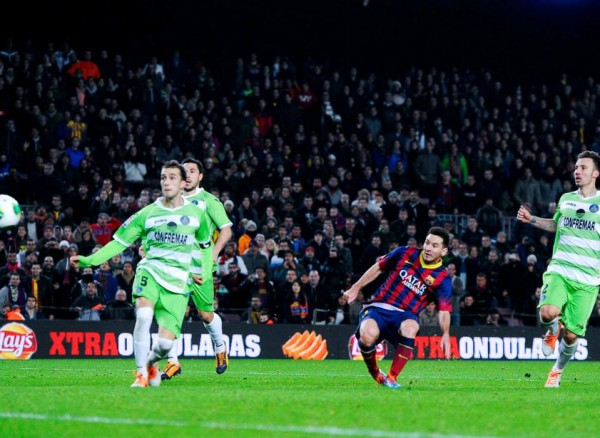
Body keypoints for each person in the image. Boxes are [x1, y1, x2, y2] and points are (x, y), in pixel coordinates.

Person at [70, 160, 212, 388]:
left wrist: (204, 272)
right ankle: (140, 375)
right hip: (150, 272)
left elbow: (206, 247)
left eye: (172, 177)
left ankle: (151, 363)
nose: (166, 182)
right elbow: (118, 242)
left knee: (165, 346)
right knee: (144, 317)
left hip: (178, 283)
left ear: (184, 182)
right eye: (164, 177)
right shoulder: (147, 213)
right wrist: (90, 260)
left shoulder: (197, 215)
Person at [516, 150, 600, 388]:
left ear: (596, 173)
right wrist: (532, 219)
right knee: (547, 312)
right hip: (561, 269)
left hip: (588, 280)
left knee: (572, 335)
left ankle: (557, 370)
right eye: (576, 167)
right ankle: (552, 330)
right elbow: (556, 225)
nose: (577, 171)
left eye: (583, 167)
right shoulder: (566, 198)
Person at [343, 226, 452, 389]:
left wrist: (445, 334)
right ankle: (374, 372)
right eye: (427, 243)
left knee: (411, 327)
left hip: (406, 315)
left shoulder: (443, 278)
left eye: (434, 246)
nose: (428, 248)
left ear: (443, 251)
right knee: (366, 336)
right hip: (378, 307)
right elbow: (378, 267)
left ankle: (392, 378)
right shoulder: (405, 252)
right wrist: (356, 287)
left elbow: (444, 310)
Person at [161, 157, 233, 381]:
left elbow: (226, 230)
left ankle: (220, 348)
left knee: (205, 314)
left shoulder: (209, 200)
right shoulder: (172, 201)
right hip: (175, 267)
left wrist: (215, 251)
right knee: (172, 313)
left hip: (200, 268)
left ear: (200, 177)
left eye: (193, 171)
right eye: (185, 171)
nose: (189, 175)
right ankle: (172, 362)